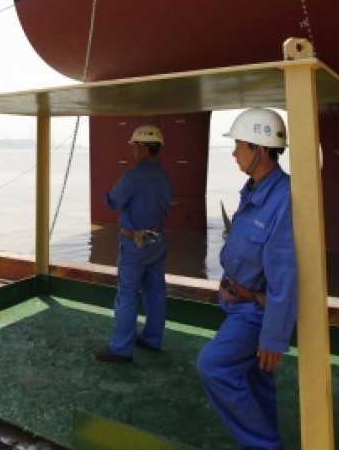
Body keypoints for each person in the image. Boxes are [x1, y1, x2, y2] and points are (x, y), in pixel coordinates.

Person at [197, 108, 298, 449]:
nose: (233, 153)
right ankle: (265, 439)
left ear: (260, 149)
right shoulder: (253, 188)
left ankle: (264, 446)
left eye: (239, 146)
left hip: (256, 313)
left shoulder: (284, 199)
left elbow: (285, 275)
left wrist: (273, 336)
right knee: (256, 381)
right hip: (237, 303)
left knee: (213, 366)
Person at [93, 124, 173, 363]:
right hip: (157, 242)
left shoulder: (132, 177)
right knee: (156, 291)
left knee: (127, 295)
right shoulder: (165, 178)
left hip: (134, 244)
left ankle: (121, 348)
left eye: (134, 147)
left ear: (141, 148)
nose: (133, 151)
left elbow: (112, 202)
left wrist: (111, 193)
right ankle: (152, 338)